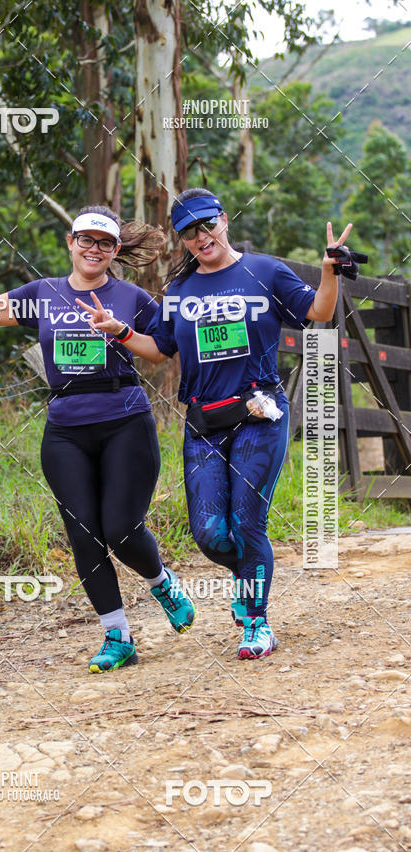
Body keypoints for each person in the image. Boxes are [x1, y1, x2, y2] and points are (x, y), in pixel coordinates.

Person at [0, 206, 195, 673]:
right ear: (70, 241)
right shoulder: (42, 294)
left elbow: (164, 351)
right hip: (65, 429)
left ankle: (161, 581)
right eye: (86, 239)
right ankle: (117, 636)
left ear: (115, 251)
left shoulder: (133, 298)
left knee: (120, 528)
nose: (94, 249)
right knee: (84, 533)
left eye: (104, 243)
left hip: (124, 419)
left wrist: (120, 332)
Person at [75, 188, 352, 660]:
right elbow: (160, 349)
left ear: (224, 220)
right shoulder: (180, 290)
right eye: (189, 232)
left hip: (258, 413)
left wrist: (329, 274)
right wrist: (119, 332)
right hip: (203, 420)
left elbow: (318, 312)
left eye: (207, 225)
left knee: (248, 523)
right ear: (183, 240)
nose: (202, 237)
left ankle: (255, 622)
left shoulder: (264, 271)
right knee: (209, 534)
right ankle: (250, 575)